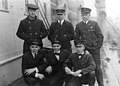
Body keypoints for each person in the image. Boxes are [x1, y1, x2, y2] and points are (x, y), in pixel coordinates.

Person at [75, 7, 104, 86]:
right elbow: (76, 39)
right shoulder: (78, 26)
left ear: (89, 15)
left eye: (86, 15)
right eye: (83, 15)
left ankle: (101, 84)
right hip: (84, 51)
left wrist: (97, 47)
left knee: (97, 68)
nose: (84, 16)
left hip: (94, 50)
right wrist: (82, 49)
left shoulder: (94, 24)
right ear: (81, 16)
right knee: (85, 68)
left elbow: (100, 36)